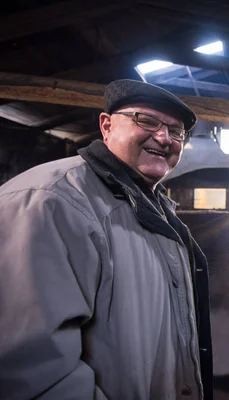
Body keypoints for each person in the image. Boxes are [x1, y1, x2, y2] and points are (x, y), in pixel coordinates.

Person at [0, 80, 213, 399]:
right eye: (147, 121)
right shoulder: (50, 201)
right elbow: (33, 377)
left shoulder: (152, 204)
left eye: (176, 131)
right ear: (106, 125)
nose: (163, 137)